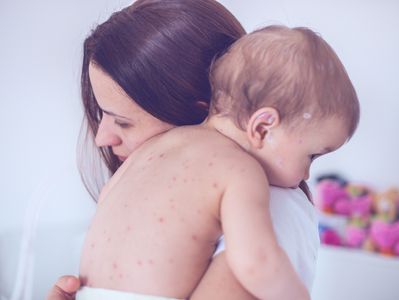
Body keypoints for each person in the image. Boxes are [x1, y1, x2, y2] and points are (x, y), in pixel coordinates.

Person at [46, 1, 323, 299]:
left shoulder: (266, 208)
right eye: (102, 115)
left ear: (196, 112)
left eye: (123, 123)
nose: (101, 138)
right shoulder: (165, 199)